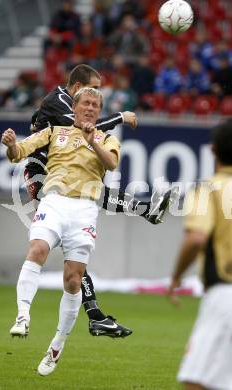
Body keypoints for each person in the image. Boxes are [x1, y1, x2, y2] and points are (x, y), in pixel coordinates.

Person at [25, 63, 176, 338]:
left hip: (57, 171)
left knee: (77, 249)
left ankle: (96, 316)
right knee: (75, 235)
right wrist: (121, 117)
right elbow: (83, 130)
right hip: (42, 175)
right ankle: (146, 211)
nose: (96, 95)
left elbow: (84, 132)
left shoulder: (60, 101)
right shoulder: (59, 100)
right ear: (78, 88)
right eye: (92, 88)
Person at [1, 87, 121, 376]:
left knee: (72, 281)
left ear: (99, 110)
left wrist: (93, 141)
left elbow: (112, 163)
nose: (91, 108)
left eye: (96, 105)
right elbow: (19, 153)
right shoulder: (55, 131)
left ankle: (57, 346)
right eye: (86, 103)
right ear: (75, 107)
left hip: (84, 210)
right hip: (54, 202)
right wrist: (10, 145)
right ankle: (22, 316)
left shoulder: (106, 138)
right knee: (38, 249)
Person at [168, 118, 232, 390]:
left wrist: (176, 276)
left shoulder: (210, 188)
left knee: (195, 382)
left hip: (224, 296)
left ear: (213, 150)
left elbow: (196, 238)